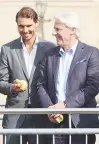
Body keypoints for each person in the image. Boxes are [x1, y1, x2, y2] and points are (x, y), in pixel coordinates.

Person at [35, 11, 99, 144]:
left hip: (81, 124)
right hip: (54, 123)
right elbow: (40, 85)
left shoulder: (91, 53)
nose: (54, 33)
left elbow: (92, 87)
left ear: (72, 30)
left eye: (58, 29)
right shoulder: (49, 55)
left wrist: (65, 106)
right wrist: (50, 109)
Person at [0, 7, 55, 144]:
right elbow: (1, 82)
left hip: (42, 116)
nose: (25, 30)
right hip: (14, 117)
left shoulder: (50, 48)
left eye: (29, 26)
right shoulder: (7, 49)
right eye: (21, 26)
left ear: (36, 23)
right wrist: (13, 88)